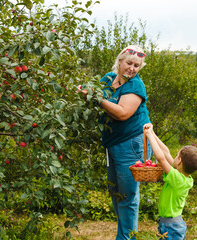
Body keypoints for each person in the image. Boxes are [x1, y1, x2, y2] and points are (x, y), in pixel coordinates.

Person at [79, 45, 152, 240]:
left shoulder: (135, 85)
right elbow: (92, 99)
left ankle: (127, 238)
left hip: (131, 144)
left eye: (137, 65)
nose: (132, 68)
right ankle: (125, 235)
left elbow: (122, 113)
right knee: (115, 192)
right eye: (129, 63)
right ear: (119, 61)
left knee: (127, 196)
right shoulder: (108, 79)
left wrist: (95, 98)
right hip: (112, 143)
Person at [143, 123, 197, 240]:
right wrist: (152, 133)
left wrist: (149, 136)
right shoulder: (183, 177)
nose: (174, 157)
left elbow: (161, 158)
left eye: (176, 155)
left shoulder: (177, 179)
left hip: (171, 226)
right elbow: (165, 151)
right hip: (172, 224)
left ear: (180, 161)